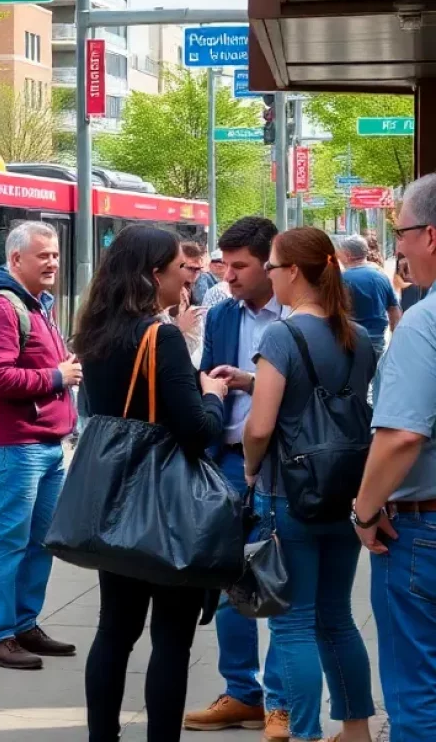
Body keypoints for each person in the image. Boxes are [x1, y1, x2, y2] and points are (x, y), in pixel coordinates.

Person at [75, 224, 227, 742]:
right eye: (178, 268)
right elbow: (196, 430)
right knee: (171, 638)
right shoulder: (158, 336)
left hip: (116, 500)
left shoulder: (95, 332)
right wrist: (212, 395)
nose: (187, 279)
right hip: (167, 507)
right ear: (152, 274)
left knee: (114, 631)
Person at [244, 227, 376, 742]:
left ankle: (304, 733)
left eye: (272, 267)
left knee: (293, 622)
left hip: (290, 492)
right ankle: (357, 730)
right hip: (345, 490)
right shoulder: (356, 336)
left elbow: (260, 426)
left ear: (294, 271)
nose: (270, 277)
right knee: (337, 617)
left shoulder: (281, 336)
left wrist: (251, 467)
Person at [184, 217, 288, 738]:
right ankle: (243, 692)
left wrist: (254, 381)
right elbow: (206, 376)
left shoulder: (298, 315)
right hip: (227, 463)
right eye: (225, 265)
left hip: (283, 467)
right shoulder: (223, 313)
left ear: (271, 263)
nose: (228, 276)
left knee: (284, 582)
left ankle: (283, 702)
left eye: (240, 266)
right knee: (230, 581)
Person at [0, 221, 81, 671]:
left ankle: (23, 625)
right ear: (16, 259)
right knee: (10, 541)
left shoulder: (38, 305)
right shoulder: (3, 307)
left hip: (46, 444)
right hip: (17, 445)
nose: (53, 262)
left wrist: (62, 367)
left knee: (39, 542)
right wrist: (57, 376)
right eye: (43, 256)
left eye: (55, 254)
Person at [354, 174, 436, 742]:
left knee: (418, 694)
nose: (399, 248)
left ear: (430, 236)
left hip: (422, 532)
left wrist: (364, 510)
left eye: (402, 233)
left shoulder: (425, 322)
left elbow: (403, 436)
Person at [338, 234, 401, 356]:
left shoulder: (342, 279)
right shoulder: (382, 277)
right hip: (377, 344)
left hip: (351, 344)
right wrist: (396, 340)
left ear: (348, 254)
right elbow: (394, 311)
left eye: (340, 254)